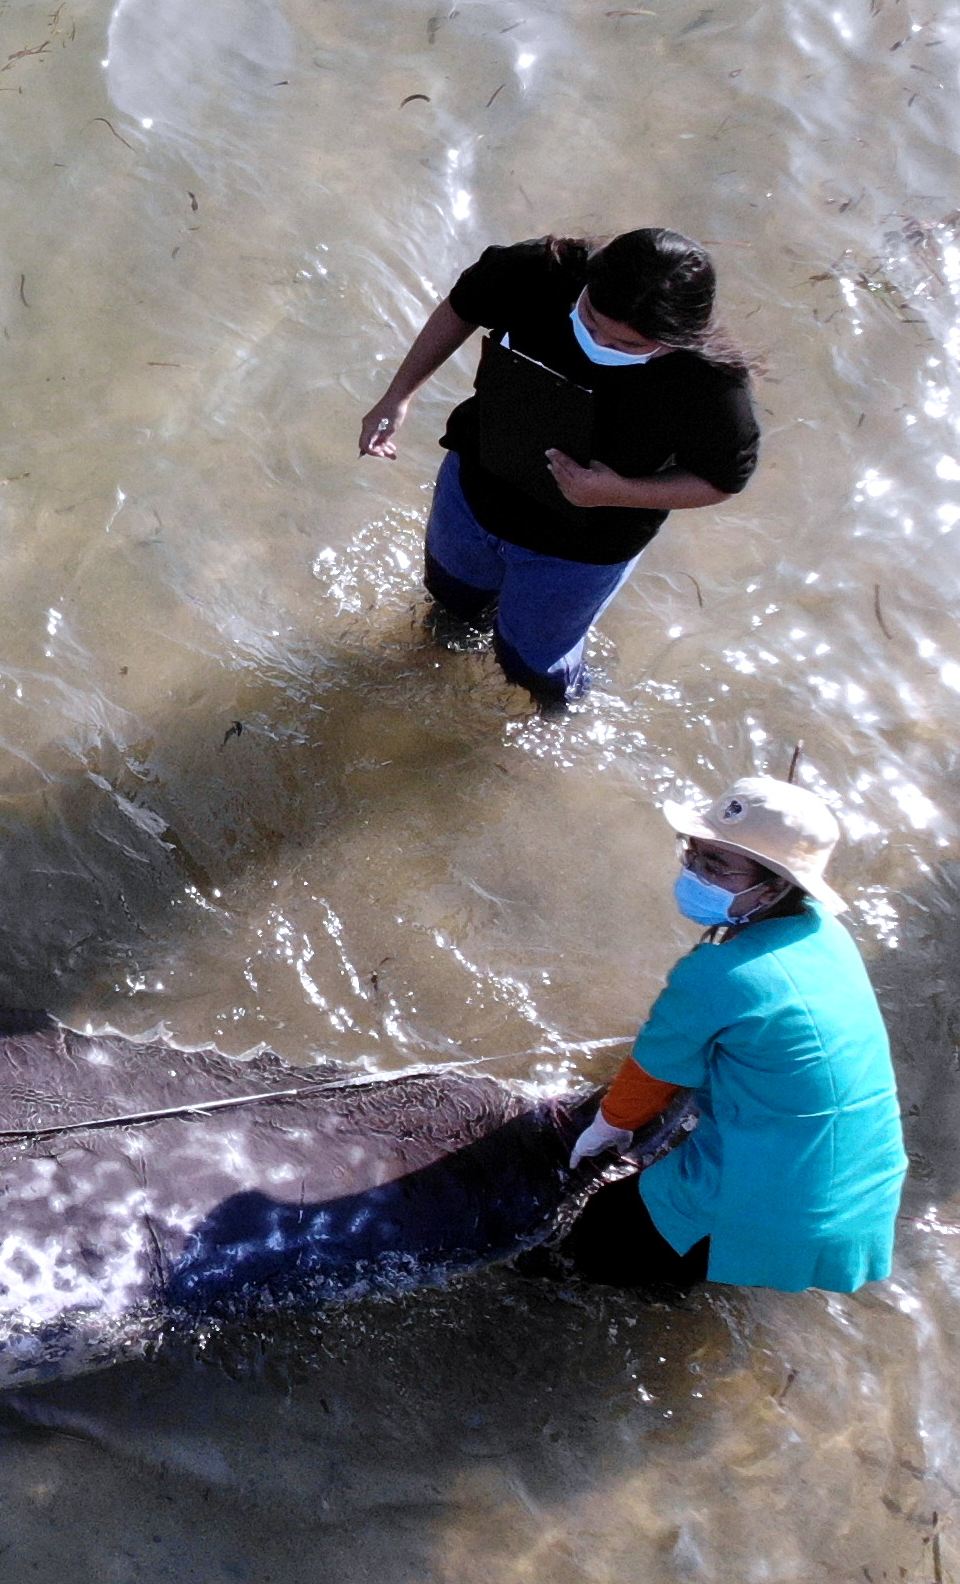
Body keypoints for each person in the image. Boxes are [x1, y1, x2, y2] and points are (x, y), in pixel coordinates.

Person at [357, 228, 759, 713]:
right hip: (473, 494)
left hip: (579, 549)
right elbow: (463, 305)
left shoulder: (711, 384)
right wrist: (398, 395)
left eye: (628, 345)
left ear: (678, 340)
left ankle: (554, 721)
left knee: (532, 664)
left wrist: (617, 491)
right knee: (451, 606)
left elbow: (722, 481)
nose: (599, 342)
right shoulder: (541, 272)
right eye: (590, 320)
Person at [553, 776, 901, 1295]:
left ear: (775, 888)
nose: (693, 871)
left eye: (715, 866)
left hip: (774, 1205)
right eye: (692, 852)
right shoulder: (826, 934)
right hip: (864, 1192)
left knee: (589, 1241)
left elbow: (645, 1082)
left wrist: (604, 1131)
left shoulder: (718, 974)